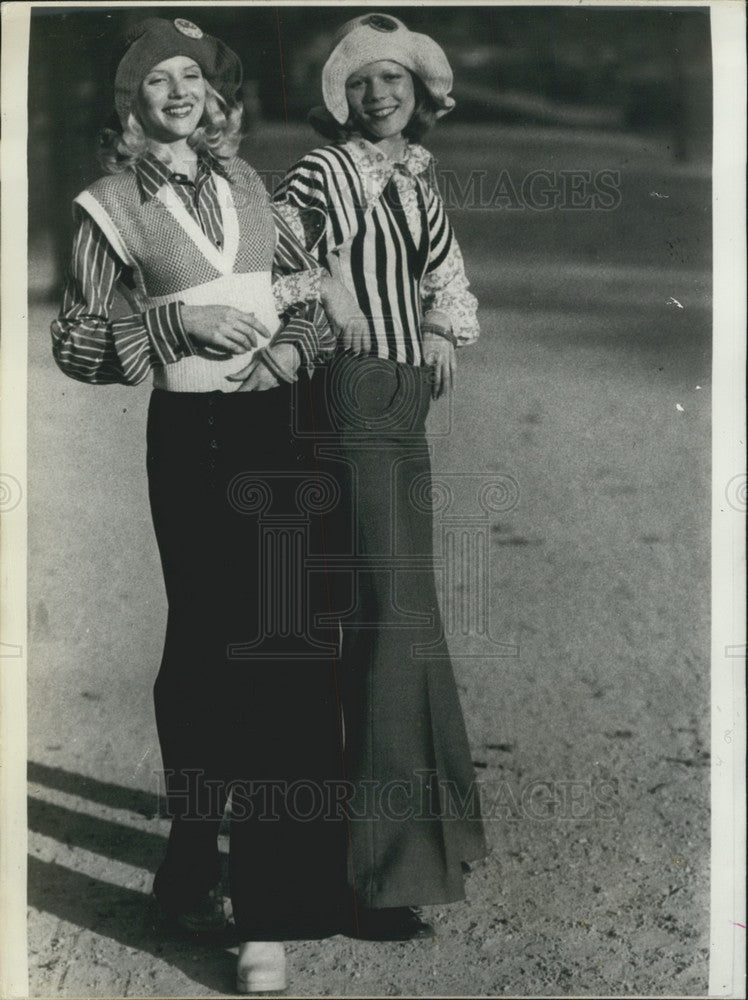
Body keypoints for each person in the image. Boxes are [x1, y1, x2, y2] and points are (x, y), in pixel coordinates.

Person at [51, 16, 362, 993]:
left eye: (192, 76)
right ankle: (194, 847)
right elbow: (74, 342)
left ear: (215, 93)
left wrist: (284, 351)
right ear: (131, 102)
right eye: (156, 81)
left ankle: (266, 906)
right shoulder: (106, 206)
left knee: (282, 646)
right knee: (201, 652)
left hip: (283, 428)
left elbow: (313, 303)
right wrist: (174, 318)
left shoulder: (253, 185)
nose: (177, 92)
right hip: (193, 443)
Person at [274, 12, 487, 944]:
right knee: (386, 613)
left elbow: (445, 269)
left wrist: (443, 328)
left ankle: (433, 841)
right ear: (342, 97)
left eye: (396, 82)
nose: (382, 96)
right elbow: (273, 252)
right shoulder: (323, 170)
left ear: (418, 94)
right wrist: (330, 287)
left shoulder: (416, 173)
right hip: (350, 397)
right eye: (364, 84)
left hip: (407, 398)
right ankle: (380, 876)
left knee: (412, 609)